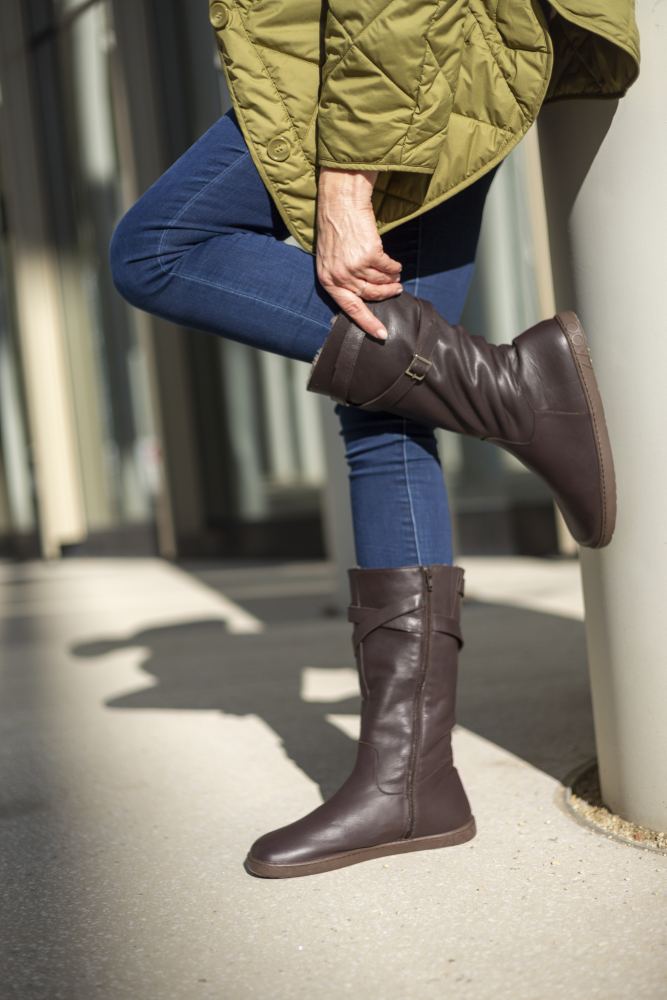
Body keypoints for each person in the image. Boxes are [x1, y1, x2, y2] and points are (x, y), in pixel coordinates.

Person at [109, 0, 640, 878]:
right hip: (407, 63)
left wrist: (347, 181)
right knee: (391, 406)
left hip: (413, 57)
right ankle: (410, 782)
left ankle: (515, 393)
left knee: (159, 249)